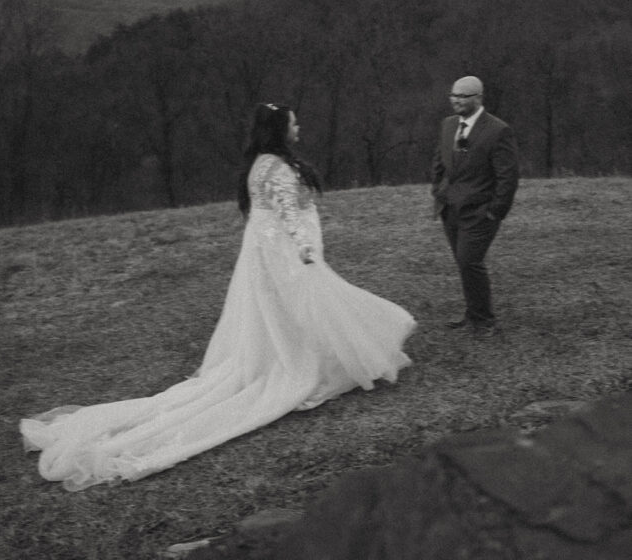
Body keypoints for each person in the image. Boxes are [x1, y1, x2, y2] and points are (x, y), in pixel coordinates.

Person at [21, 102, 416, 490]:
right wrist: (305, 250)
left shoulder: (258, 163)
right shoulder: (276, 168)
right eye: (293, 125)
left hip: (263, 254)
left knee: (277, 316)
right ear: (280, 130)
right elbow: (288, 214)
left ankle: (295, 355)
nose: (298, 130)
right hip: (283, 253)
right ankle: (310, 362)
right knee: (307, 307)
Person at [431, 76, 519, 335]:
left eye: (463, 96)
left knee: (470, 261)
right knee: (463, 262)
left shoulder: (498, 130)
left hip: (480, 212)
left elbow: (508, 177)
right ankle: (472, 314)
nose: (456, 100)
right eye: (453, 95)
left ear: (478, 98)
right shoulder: (448, 125)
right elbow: (439, 161)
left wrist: (495, 212)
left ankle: (484, 321)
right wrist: (438, 191)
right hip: (451, 209)